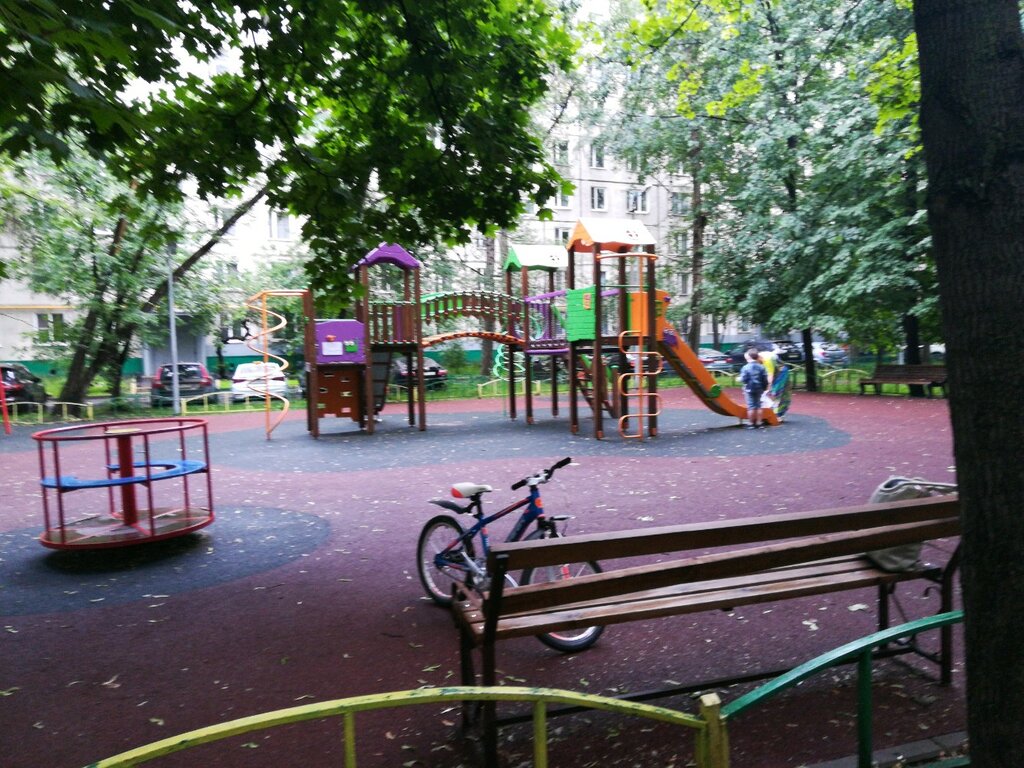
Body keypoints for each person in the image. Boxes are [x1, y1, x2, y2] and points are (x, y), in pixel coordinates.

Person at [738, 348, 769, 428]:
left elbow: (744, 379)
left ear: (748, 357)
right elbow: (764, 379)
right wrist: (764, 387)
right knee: (759, 405)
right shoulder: (761, 367)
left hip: (749, 388)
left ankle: (751, 423)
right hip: (759, 388)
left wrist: (739, 379)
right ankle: (759, 422)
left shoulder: (745, 367)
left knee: (751, 406)